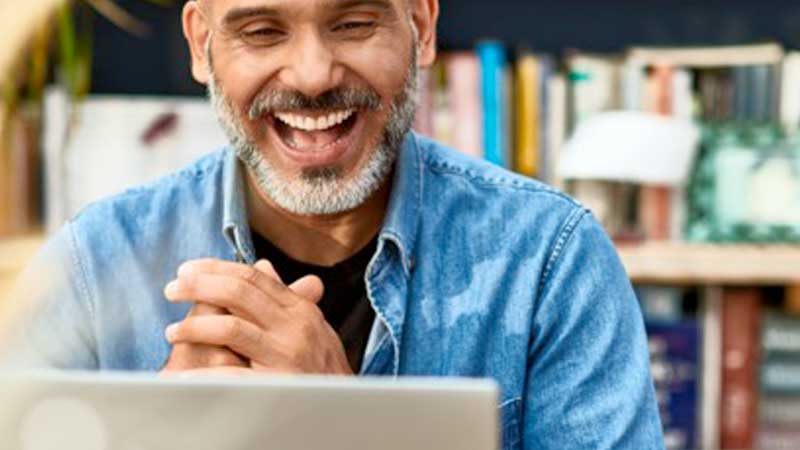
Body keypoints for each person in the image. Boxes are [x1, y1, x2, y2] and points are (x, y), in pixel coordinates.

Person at [1, 0, 664, 448]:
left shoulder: (551, 261)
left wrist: (344, 426)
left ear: (422, 27)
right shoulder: (93, 265)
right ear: (203, 45)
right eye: (261, 30)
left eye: (353, 22)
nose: (314, 76)